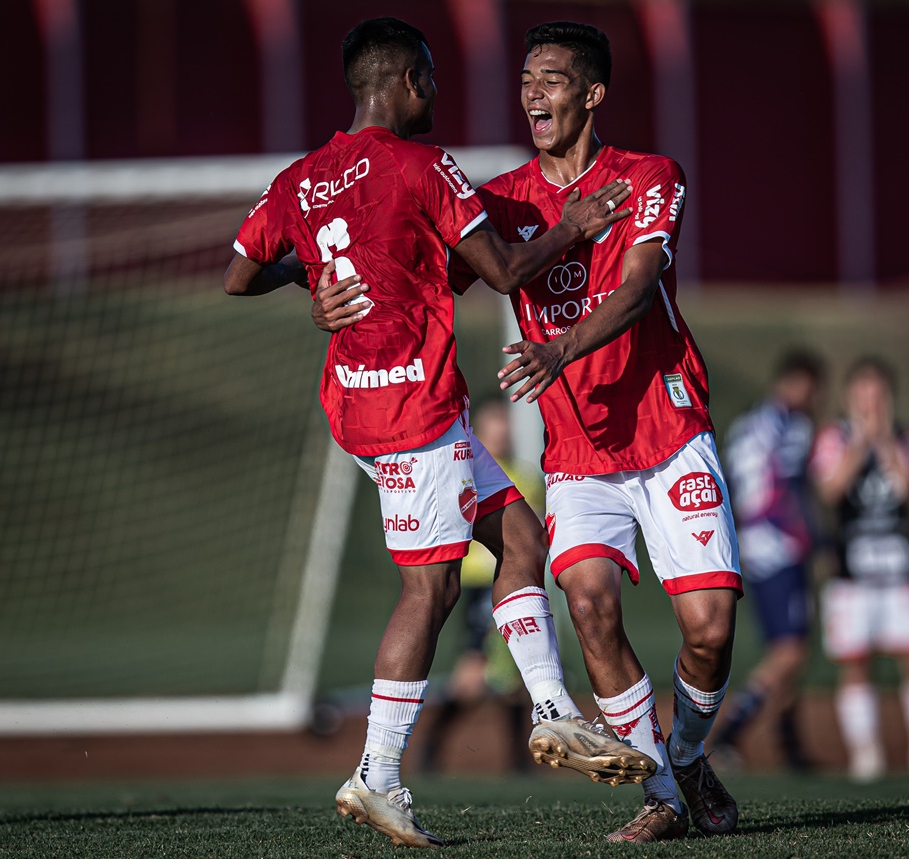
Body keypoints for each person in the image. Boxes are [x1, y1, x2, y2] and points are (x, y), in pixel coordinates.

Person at [223, 17, 650, 849]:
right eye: (434, 81)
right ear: (412, 80)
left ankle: (555, 710)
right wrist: (576, 223)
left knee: (522, 539)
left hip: (364, 404)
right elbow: (506, 270)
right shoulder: (425, 166)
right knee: (433, 589)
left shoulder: (300, 179)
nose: (439, 97)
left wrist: (310, 281)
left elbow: (239, 273)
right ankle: (377, 773)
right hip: (409, 412)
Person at [449, 21, 743, 844]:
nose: (532, 91)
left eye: (551, 77)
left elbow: (642, 288)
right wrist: (329, 295)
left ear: (592, 93)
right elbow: (430, 276)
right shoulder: (502, 201)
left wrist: (559, 347)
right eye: (526, 77)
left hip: (671, 429)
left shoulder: (650, 176)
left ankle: (684, 754)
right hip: (579, 453)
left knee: (711, 631)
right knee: (587, 601)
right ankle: (660, 793)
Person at [808, 356, 909, 782]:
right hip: (852, 576)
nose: (871, 404)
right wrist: (861, 442)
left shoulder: (905, 438)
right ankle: (866, 753)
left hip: (900, 571)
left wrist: (887, 443)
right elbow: (830, 488)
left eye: (878, 395)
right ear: (849, 398)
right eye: (863, 395)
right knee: (856, 663)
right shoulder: (833, 438)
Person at [713, 348, 826, 772]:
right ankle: (728, 735)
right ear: (795, 383)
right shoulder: (787, 427)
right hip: (777, 545)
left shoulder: (750, 425)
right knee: (790, 652)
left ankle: (790, 744)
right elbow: (781, 490)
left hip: (761, 545)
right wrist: (815, 538)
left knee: (791, 647)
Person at [419, 399, 537, 774]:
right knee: (472, 675)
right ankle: (431, 745)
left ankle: (519, 762)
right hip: (479, 588)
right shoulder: (464, 471)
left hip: (515, 581)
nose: (501, 434)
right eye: (493, 427)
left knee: (515, 672)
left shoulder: (525, 477)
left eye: (505, 427)